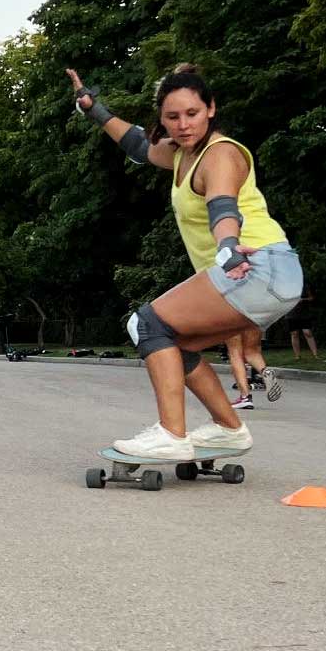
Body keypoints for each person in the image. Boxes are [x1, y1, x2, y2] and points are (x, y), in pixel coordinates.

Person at [68, 64, 303, 460]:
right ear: (162, 119)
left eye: (191, 114)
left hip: (255, 266)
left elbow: (223, 206)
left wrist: (227, 247)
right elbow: (138, 145)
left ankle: (171, 434)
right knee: (174, 344)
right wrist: (95, 110)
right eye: (172, 117)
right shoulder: (181, 156)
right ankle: (230, 429)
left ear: (210, 108)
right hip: (267, 275)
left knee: (145, 323)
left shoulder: (221, 154)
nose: (182, 125)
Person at [226, 327, 283, 409]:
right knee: (251, 351)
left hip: (234, 316)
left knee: (235, 352)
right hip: (254, 316)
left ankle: (245, 397)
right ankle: (264, 371)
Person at [287, 284, 319, 360]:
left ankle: (315, 355)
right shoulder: (287, 287)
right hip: (291, 313)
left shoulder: (305, 286)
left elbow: (311, 298)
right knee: (294, 334)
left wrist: (303, 300)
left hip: (304, 314)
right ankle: (297, 356)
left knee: (307, 332)